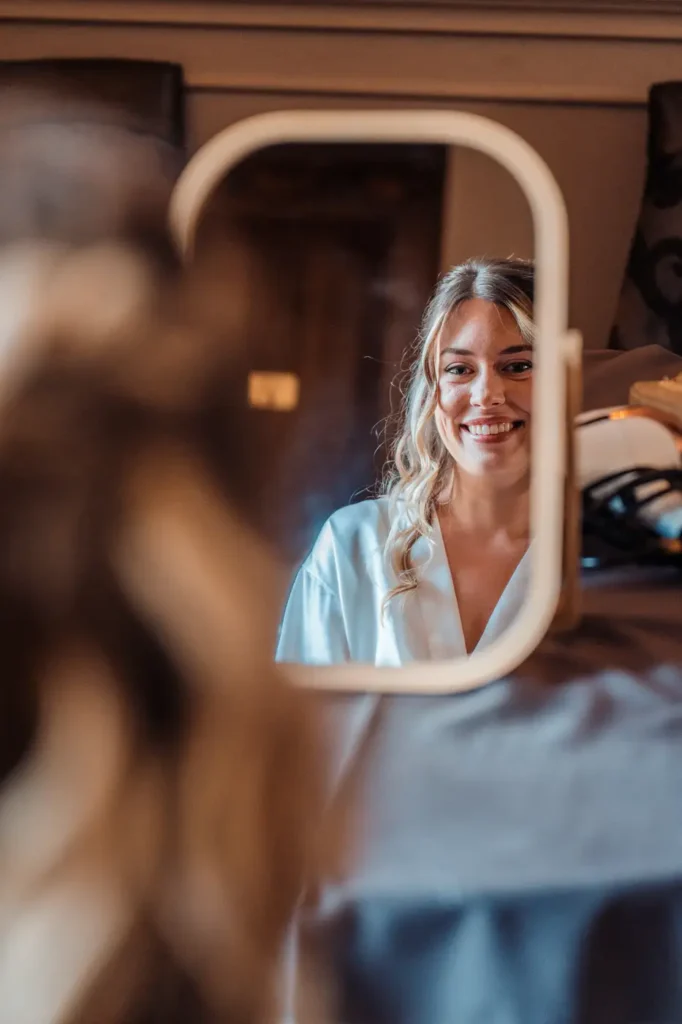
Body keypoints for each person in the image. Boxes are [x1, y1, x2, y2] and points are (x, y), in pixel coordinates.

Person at [276, 256, 535, 665]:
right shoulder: (354, 546)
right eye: (460, 369)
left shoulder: (603, 559)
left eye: (517, 366)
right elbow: (301, 722)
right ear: (431, 391)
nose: (487, 396)